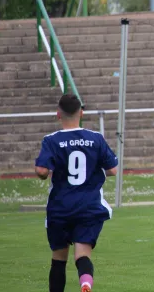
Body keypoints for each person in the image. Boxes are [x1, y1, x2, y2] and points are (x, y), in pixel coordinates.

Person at [35, 94, 118, 292]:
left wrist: (45, 171)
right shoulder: (95, 138)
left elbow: (41, 171)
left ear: (58, 115)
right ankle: (86, 282)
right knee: (82, 254)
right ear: (81, 113)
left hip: (60, 208)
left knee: (58, 259)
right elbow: (113, 170)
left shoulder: (51, 141)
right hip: (89, 206)